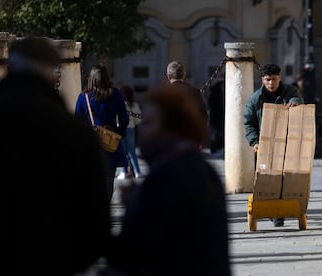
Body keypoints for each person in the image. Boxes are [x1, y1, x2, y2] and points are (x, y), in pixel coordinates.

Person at [0, 36, 111, 276]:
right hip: (51, 261)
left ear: (9, 68)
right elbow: (94, 220)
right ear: (54, 75)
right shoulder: (76, 134)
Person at [104, 83, 231, 276]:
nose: (142, 130)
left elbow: (137, 251)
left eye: (149, 123)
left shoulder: (170, 175)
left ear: (172, 128)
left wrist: (134, 205)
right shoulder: (195, 167)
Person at [243, 63, 303, 227]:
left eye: (274, 79)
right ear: (263, 80)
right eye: (268, 80)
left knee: (284, 178)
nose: (271, 83)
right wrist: (254, 142)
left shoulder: (289, 91)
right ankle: (271, 210)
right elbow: (249, 122)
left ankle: (279, 213)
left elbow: (297, 99)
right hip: (264, 146)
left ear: (280, 78)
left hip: (286, 144)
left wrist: (295, 103)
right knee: (267, 178)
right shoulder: (255, 98)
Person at [75, 64, 129, 202]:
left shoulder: (83, 97)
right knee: (108, 182)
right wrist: (118, 134)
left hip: (90, 147)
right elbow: (124, 119)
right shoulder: (116, 95)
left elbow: (76, 122)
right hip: (110, 146)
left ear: (91, 79)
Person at [166, 60, 209, 125]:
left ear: (168, 76)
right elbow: (203, 116)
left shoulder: (163, 94)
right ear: (184, 75)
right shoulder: (195, 92)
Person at [116, 85, 144, 179]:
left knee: (123, 152)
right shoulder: (134, 105)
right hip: (131, 129)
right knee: (132, 152)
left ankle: (123, 172)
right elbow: (138, 119)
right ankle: (137, 172)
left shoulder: (118, 105)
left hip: (120, 129)